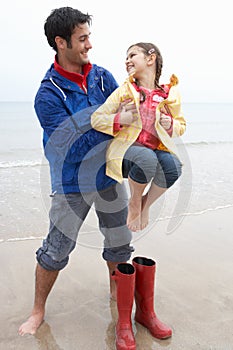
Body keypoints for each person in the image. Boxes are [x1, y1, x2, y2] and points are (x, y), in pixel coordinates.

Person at [18, 6, 135, 336]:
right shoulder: (47, 95)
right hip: (71, 180)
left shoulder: (102, 76)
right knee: (55, 251)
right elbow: (69, 148)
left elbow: (129, 116)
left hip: (109, 176)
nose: (89, 45)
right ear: (61, 43)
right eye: (82, 39)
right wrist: (113, 123)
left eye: (89, 37)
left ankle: (117, 299)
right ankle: (37, 310)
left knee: (120, 243)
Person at [91, 42, 186, 232]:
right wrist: (121, 118)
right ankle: (134, 203)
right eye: (126, 57)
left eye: (132, 55)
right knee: (146, 158)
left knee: (174, 166)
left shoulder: (169, 96)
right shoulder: (125, 92)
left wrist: (170, 125)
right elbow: (97, 119)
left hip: (154, 149)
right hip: (127, 152)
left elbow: (181, 125)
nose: (127, 61)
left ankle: (145, 204)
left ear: (151, 59)